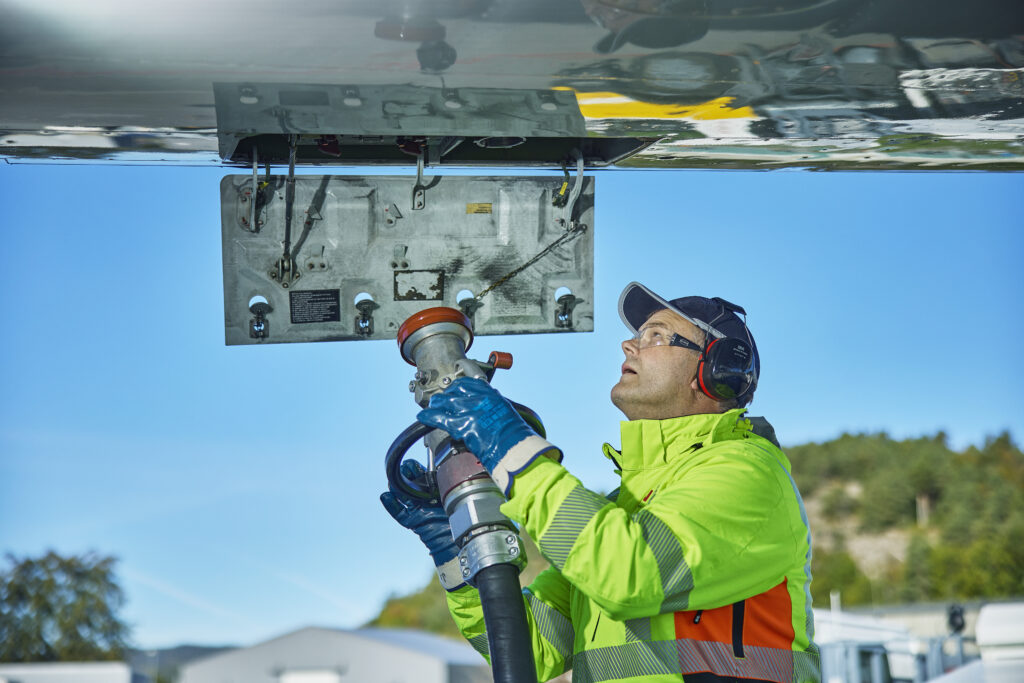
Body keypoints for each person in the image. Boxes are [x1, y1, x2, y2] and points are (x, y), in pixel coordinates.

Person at [381, 281, 820, 683]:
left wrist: (511, 446)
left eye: (657, 336)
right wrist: (459, 552)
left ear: (714, 372)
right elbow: (527, 649)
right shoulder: (626, 509)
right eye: (637, 335)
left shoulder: (748, 473)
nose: (629, 344)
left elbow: (630, 574)